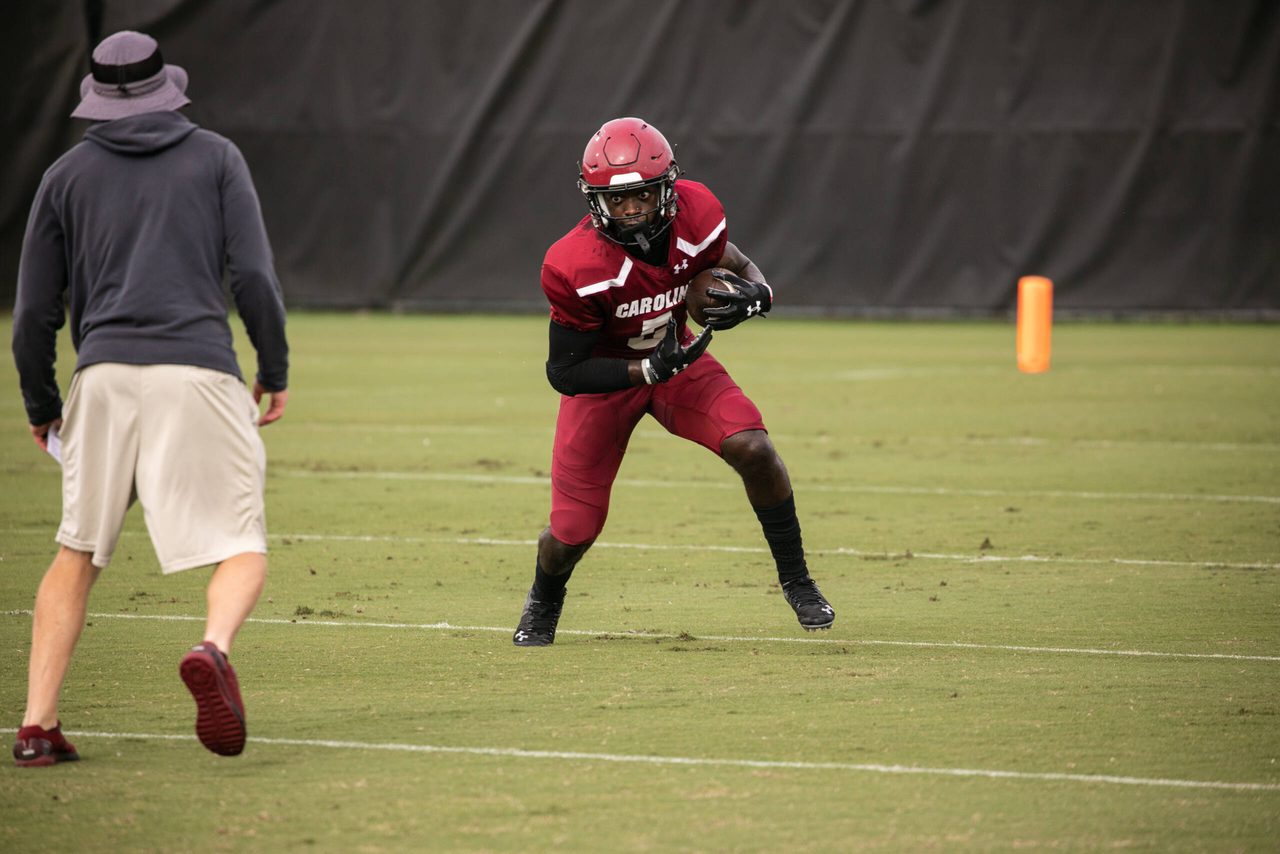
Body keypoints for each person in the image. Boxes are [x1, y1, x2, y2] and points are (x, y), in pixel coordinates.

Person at [10, 31, 289, 765]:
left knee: (76, 551)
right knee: (241, 544)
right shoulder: (217, 158)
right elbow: (253, 277)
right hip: (196, 371)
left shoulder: (64, 175)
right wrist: (274, 367)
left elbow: (33, 311)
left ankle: (37, 727)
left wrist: (42, 404)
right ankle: (212, 649)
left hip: (101, 379)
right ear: (167, 87)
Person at [512, 117, 834, 647]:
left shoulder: (697, 212)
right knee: (572, 533)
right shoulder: (573, 263)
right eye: (617, 199)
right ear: (595, 200)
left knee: (753, 447)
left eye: (642, 194)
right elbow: (563, 372)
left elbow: (736, 261)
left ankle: (798, 581)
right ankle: (544, 599)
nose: (631, 210)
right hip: (607, 380)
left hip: (678, 361)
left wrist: (761, 293)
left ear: (667, 187)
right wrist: (643, 371)